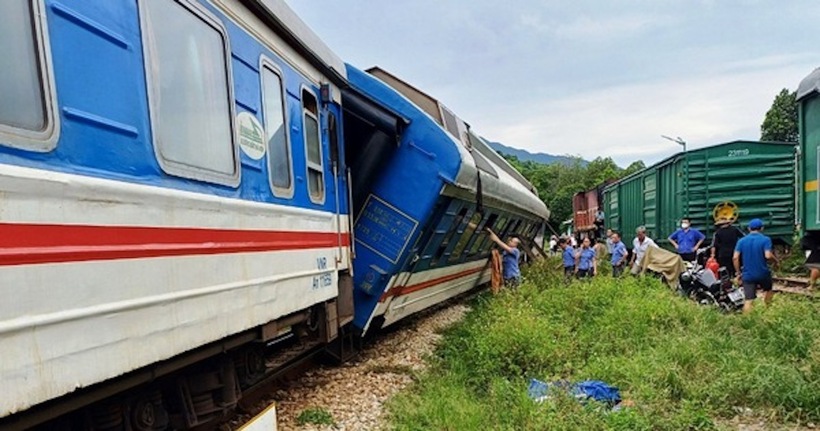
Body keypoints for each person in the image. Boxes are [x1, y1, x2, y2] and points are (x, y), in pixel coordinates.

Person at [733, 218, 778, 313]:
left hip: (748, 275)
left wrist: (738, 273)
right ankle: (767, 312)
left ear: (749, 229)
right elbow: (768, 255)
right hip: (763, 273)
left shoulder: (741, 241)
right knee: (768, 290)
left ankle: (746, 322)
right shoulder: (765, 239)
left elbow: (735, 258)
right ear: (762, 228)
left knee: (748, 299)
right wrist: (776, 261)